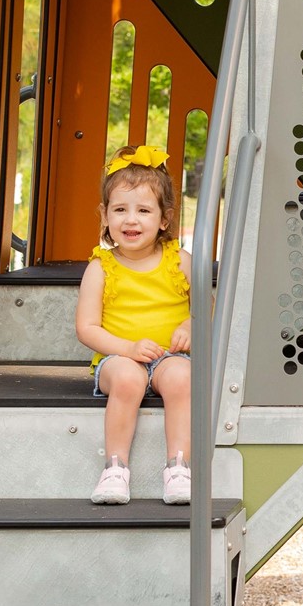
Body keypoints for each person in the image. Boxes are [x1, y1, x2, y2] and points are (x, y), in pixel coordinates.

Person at [73, 146, 193, 505]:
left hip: (170, 356)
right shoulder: (101, 267)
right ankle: (115, 469)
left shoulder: (180, 261)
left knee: (182, 378)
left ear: (164, 218)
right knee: (128, 378)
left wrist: (190, 325)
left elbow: (208, 310)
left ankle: (179, 468)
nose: (131, 220)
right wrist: (127, 348)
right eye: (120, 209)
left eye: (143, 210)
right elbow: (87, 328)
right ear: (104, 215)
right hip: (118, 360)